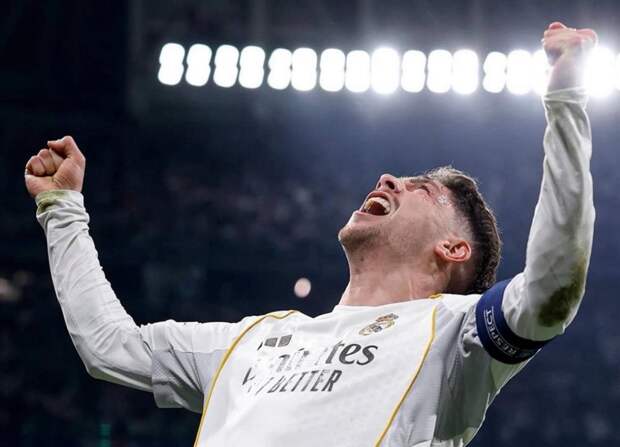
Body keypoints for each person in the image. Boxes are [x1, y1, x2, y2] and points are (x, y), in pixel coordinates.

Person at [25, 22, 596, 446]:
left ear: (452, 249)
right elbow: (110, 345)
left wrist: (565, 100)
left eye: (422, 188)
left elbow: (552, 288)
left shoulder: (455, 334)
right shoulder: (249, 342)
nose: (388, 178)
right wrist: (62, 208)